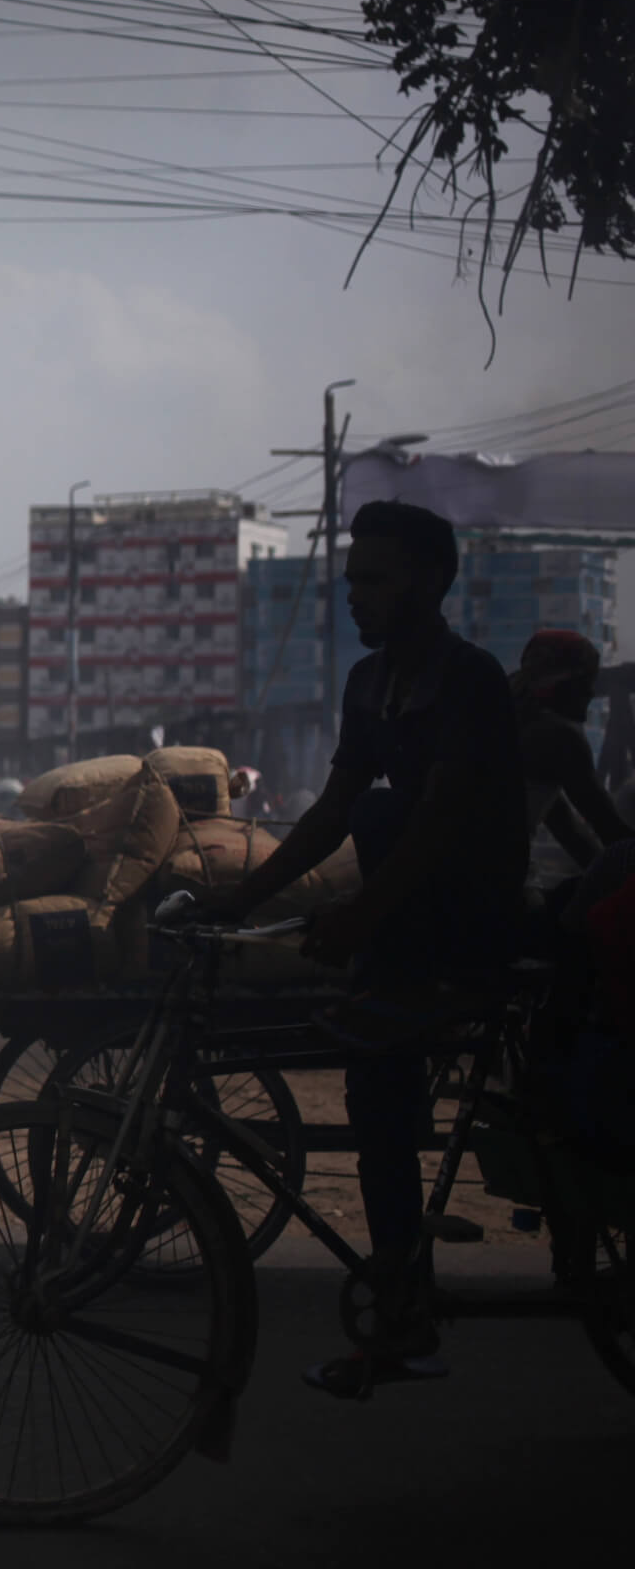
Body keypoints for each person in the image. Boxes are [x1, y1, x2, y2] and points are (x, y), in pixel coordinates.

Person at [198, 499, 528, 1397]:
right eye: (350, 581)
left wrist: (359, 916)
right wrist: (239, 897)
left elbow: (437, 825)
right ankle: (401, 1307)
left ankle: (401, 1307)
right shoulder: (369, 683)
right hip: (402, 922)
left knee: (394, 815)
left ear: (430, 580)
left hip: (467, 921)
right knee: (376, 1102)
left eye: (373, 579)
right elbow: (331, 813)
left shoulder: (470, 679)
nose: (355, 597)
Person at [512, 629, 632, 874]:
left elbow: (571, 832)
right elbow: (610, 830)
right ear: (561, 684)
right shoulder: (558, 739)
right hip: (489, 882)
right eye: (585, 682)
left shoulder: (514, 722)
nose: (590, 693)